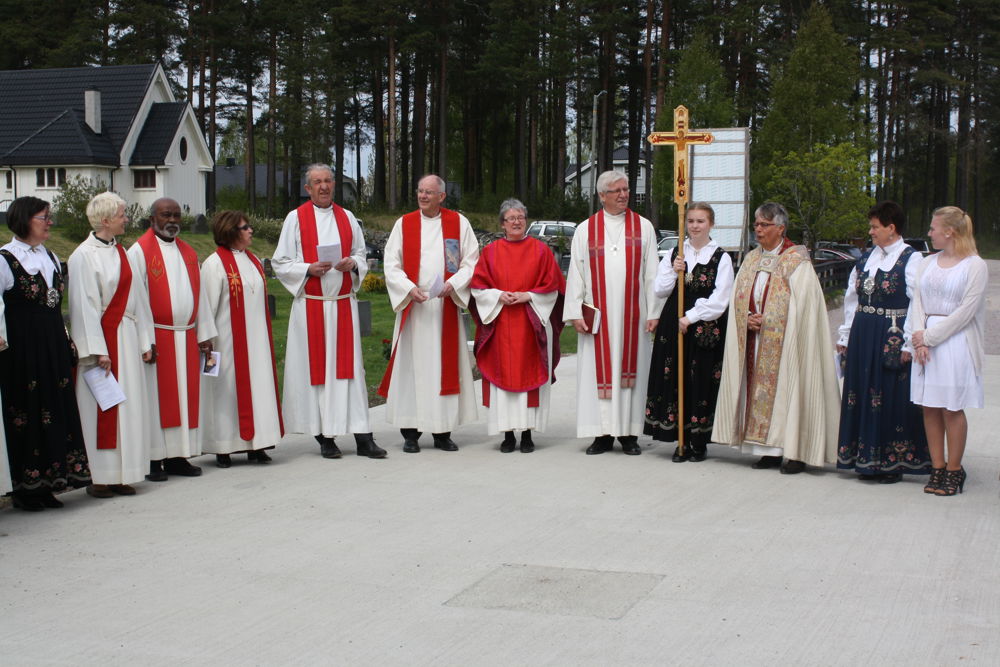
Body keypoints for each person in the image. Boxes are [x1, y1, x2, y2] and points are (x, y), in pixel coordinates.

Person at [712, 202, 840, 473]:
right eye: (756, 224)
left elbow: (805, 308)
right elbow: (738, 297)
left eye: (764, 224)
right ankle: (767, 450)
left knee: (787, 392)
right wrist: (746, 317)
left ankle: (794, 451)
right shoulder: (751, 259)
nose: (758, 230)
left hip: (786, 343)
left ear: (780, 228)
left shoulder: (796, 261)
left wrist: (771, 320)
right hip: (755, 341)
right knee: (758, 392)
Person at [273, 164, 385, 459]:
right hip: (312, 308)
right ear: (307, 188)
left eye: (327, 181)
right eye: (317, 182)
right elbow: (281, 263)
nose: (323, 187)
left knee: (351, 373)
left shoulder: (347, 218)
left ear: (334, 184)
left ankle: (363, 436)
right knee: (318, 373)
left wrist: (353, 264)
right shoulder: (295, 219)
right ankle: (324, 436)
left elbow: (361, 254)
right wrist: (308, 268)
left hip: (343, 307)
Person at [564, 170, 663, 455]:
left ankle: (629, 434)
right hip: (598, 317)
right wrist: (575, 312)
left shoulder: (643, 227)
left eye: (626, 189)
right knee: (598, 375)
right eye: (617, 190)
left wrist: (654, 311)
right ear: (602, 196)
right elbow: (577, 275)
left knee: (634, 373)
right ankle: (602, 434)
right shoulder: (586, 229)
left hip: (633, 316)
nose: (624, 195)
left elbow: (651, 273)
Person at [1, 197, 91, 510]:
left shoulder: (51, 257)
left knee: (53, 408)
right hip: (23, 349)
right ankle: (27, 486)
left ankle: (52, 480)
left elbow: (56, 306)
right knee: (27, 411)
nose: (49, 222)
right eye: (44, 217)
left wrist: (67, 341)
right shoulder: (6, 259)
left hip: (52, 342)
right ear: (25, 219)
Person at [379, 174, 479, 452]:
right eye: (420, 191)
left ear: (442, 196)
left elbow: (471, 262)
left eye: (429, 192)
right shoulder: (405, 224)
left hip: (444, 305)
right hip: (415, 307)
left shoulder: (458, 223)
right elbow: (392, 264)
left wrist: (453, 284)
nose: (423, 196)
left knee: (442, 368)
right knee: (412, 368)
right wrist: (409, 289)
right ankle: (410, 433)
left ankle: (442, 432)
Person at [68, 192, 155, 498]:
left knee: (127, 407)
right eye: (121, 214)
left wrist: (146, 339)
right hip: (105, 342)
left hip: (128, 337)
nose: (126, 218)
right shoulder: (83, 256)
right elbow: (84, 306)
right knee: (102, 408)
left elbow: (139, 300)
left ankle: (124, 472)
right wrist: (98, 350)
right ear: (105, 220)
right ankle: (101, 477)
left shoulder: (123, 252)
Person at [836, 201, 929, 483]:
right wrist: (846, 335)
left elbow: (917, 303)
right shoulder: (866, 259)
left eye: (875, 227)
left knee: (890, 395)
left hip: (891, 333)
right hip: (864, 332)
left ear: (892, 228)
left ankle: (891, 462)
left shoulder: (911, 259)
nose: (871, 231)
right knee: (862, 392)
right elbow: (852, 299)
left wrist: (908, 343)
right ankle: (864, 459)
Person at [128, 198, 216, 481]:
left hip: (187, 336)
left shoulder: (188, 252)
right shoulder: (139, 252)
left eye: (177, 215)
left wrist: (204, 335)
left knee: (184, 399)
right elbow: (135, 301)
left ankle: (179, 456)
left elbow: (199, 296)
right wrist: (145, 340)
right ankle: (154, 459)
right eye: (166, 215)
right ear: (152, 217)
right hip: (158, 337)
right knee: (156, 400)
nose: (172, 220)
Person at [470, 198, 566, 453]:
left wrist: (529, 296)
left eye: (520, 217)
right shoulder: (490, 252)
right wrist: (497, 295)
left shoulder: (540, 250)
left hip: (530, 325)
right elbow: (478, 287)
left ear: (526, 221)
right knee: (503, 378)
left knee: (529, 376)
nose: (516, 222)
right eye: (511, 218)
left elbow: (553, 286)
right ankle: (508, 435)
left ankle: (527, 434)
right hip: (501, 325)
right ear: (502, 224)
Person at [908, 206, 988, 496]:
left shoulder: (974, 265)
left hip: (954, 343)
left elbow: (966, 312)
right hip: (926, 343)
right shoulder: (928, 263)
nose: (929, 233)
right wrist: (918, 337)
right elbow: (917, 300)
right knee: (930, 406)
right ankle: (937, 466)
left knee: (951, 407)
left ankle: (955, 469)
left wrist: (929, 336)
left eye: (932, 229)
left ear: (949, 231)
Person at [645, 202, 733, 462]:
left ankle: (699, 440)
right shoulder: (675, 253)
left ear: (711, 224)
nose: (694, 226)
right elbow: (660, 290)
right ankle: (679, 440)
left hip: (705, 326)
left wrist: (692, 317)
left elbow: (721, 298)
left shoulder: (721, 257)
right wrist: (674, 271)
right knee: (674, 378)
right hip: (674, 322)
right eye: (691, 221)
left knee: (701, 380)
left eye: (700, 221)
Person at [201, 211, 284, 467]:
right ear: (230, 232)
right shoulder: (214, 264)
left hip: (256, 340)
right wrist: (206, 339)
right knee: (225, 392)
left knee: (259, 389)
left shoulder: (253, 261)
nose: (251, 231)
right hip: (226, 341)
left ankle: (257, 444)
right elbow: (206, 306)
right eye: (245, 227)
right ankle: (224, 447)